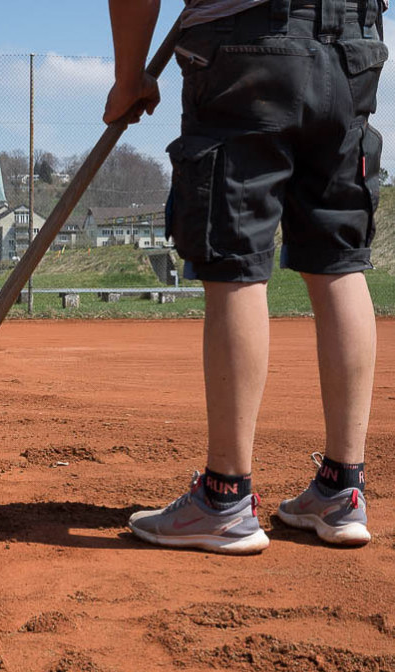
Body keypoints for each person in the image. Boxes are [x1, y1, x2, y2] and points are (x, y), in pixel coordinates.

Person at [104, 0, 386, 554]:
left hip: (245, 48)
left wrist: (128, 76)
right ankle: (341, 490)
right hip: (352, 44)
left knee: (235, 261)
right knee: (339, 260)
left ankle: (224, 497)